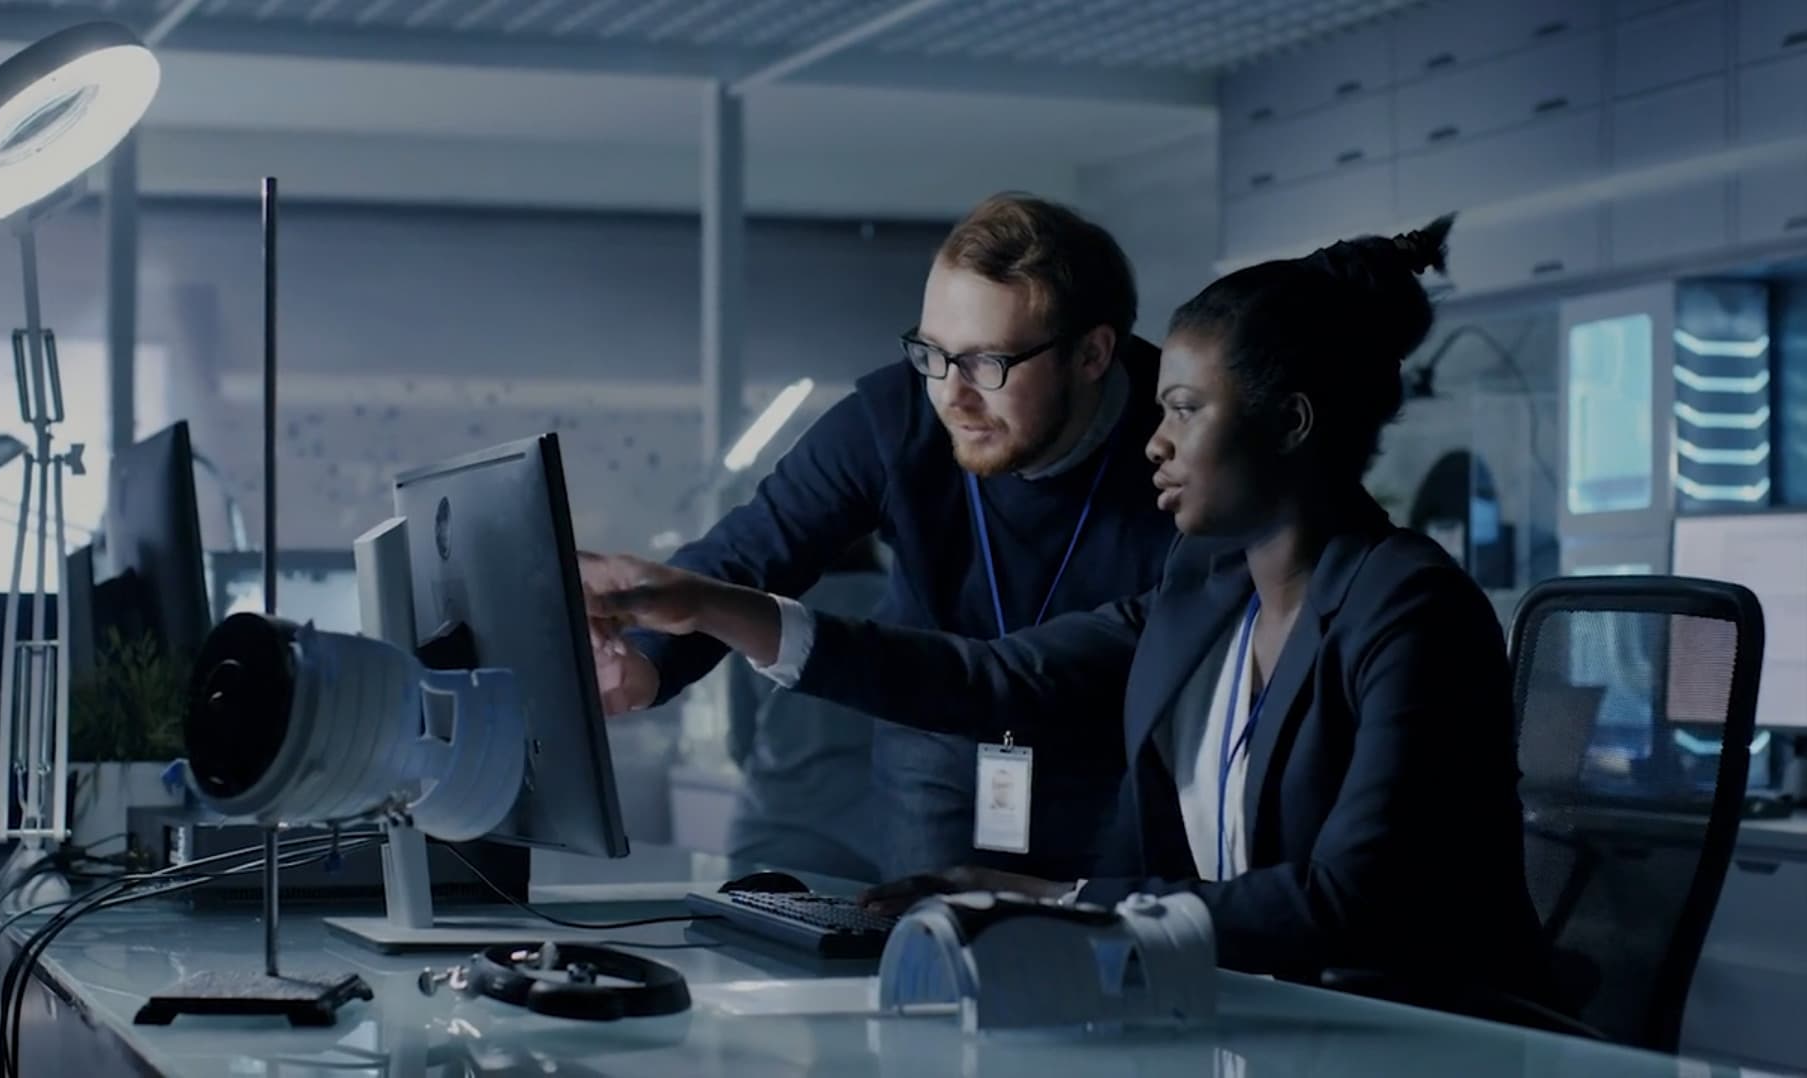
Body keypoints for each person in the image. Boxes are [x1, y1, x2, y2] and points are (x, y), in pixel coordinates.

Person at [583, 215, 1552, 997]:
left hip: (1403, 1023)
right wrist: (697, 609)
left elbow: (1349, 901)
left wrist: (1063, 898)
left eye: (1183, 410)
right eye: (933, 354)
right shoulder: (1212, 591)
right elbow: (994, 676)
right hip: (1254, 992)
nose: (1155, 443)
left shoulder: (1405, 606)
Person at [596, 193, 1179, 882]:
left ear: (1092, 354)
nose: (950, 396)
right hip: (940, 740)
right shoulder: (894, 414)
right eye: (931, 353)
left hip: (1121, 745)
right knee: (934, 958)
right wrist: (645, 661)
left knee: (1118, 966)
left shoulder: (1180, 436)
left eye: (986, 364)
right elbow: (748, 552)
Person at [724, 536, 887, 881]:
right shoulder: (899, 601)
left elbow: (740, 741)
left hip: (770, 828)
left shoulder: (761, 609)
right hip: (875, 840)